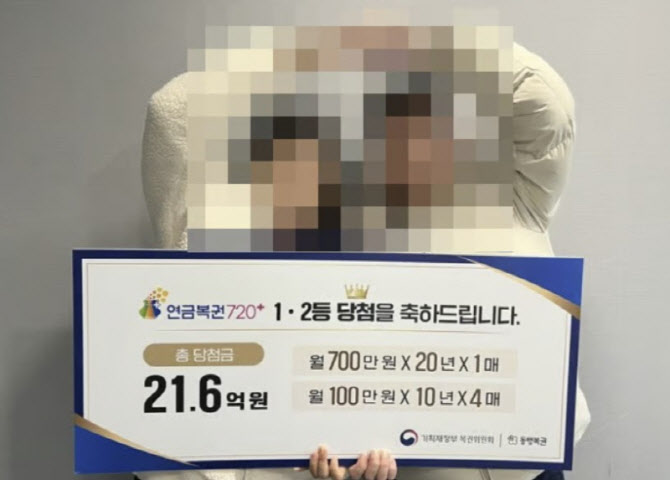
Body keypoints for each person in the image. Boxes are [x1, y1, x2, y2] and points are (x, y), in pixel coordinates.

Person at [139, 39, 590, 480]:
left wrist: (390, 71)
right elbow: (172, 110)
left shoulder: (509, 200)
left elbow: (541, 102)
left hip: (493, 446)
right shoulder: (255, 240)